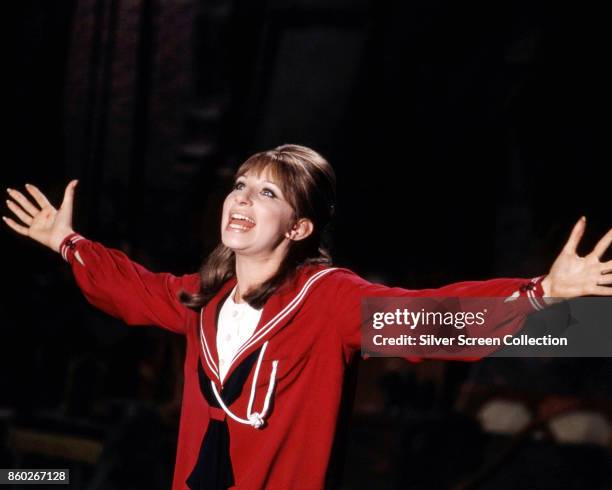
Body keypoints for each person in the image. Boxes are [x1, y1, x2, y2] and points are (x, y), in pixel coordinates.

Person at [4, 144, 612, 489]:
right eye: (240, 185)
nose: (242, 198)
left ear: (298, 228)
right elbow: (133, 289)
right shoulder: (203, 299)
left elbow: (427, 319)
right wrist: (68, 243)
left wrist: (541, 292)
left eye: (267, 193)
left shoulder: (328, 301)